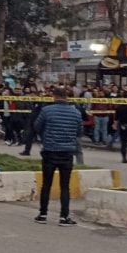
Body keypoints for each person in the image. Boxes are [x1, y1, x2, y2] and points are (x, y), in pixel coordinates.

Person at [34, 86, 82, 225]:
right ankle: (64, 217)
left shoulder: (46, 110)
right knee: (65, 186)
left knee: (46, 184)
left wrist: (45, 136)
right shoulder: (76, 112)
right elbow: (80, 132)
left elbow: (37, 126)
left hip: (50, 150)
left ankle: (43, 214)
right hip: (67, 152)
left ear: (54, 96)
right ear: (67, 97)